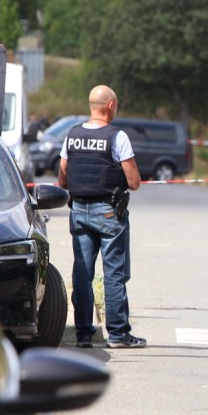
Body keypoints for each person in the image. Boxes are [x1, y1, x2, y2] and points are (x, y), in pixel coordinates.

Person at [58, 85, 144, 348]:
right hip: (108, 212)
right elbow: (134, 181)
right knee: (113, 274)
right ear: (110, 106)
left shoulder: (71, 136)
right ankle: (118, 335)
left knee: (82, 273)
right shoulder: (117, 137)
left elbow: (62, 180)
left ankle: (84, 335)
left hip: (78, 211)